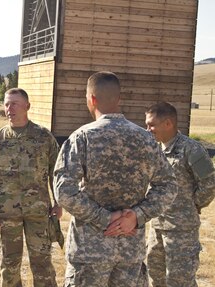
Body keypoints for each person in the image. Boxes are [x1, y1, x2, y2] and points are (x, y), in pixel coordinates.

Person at [53, 71, 178, 287]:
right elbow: (168, 186)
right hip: (130, 250)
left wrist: (104, 218)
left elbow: (64, 190)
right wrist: (136, 216)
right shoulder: (146, 139)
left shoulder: (81, 138)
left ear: (91, 99)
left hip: (89, 252)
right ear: (118, 99)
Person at [0, 88, 61, 287]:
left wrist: (59, 202)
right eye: (6, 104)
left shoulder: (44, 138)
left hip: (39, 211)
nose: (9, 109)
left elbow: (57, 172)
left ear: (27, 106)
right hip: (6, 214)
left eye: (14, 104)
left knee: (42, 264)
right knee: (9, 265)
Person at [145, 101, 215, 287]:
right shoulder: (155, 149)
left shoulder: (191, 149)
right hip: (157, 226)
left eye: (152, 124)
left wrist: (194, 205)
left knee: (180, 280)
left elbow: (209, 183)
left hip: (182, 230)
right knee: (155, 275)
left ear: (168, 124)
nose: (148, 129)